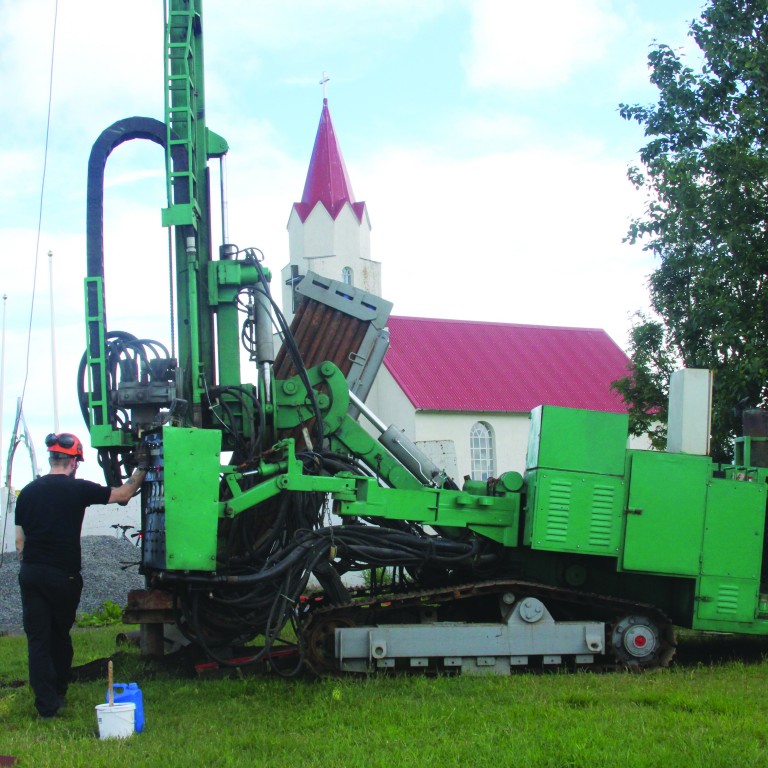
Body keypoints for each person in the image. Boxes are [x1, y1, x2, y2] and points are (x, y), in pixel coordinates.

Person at [14, 432, 148, 719]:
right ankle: (59, 693)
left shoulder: (27, 492)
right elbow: (124, 494)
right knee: (60, 636)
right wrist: (143, 468)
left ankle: (46, 707)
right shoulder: (78, 490)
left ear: (52, 458)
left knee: (38, 640)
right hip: (63, 577)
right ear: (74, 462)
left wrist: (32, 567)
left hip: (32, 574)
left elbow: (19, 543)